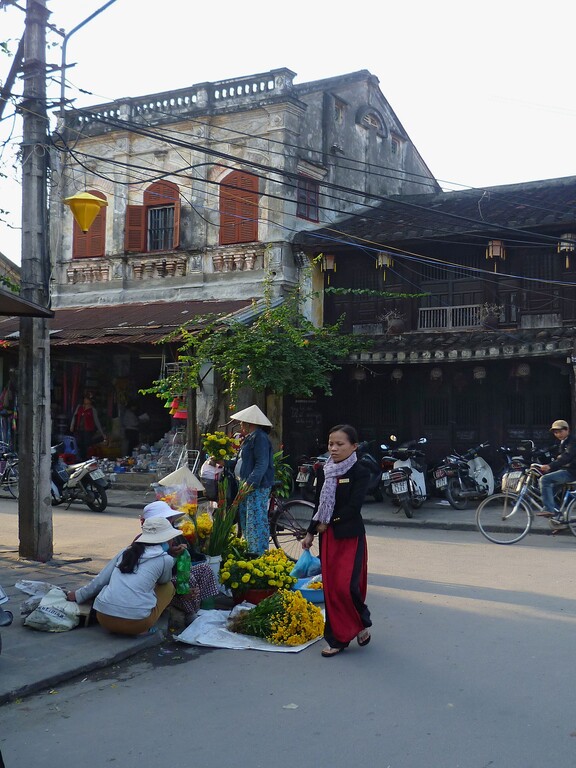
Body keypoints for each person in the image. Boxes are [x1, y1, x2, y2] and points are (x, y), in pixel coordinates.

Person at [302, 424, 372, 657]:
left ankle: (360, 621)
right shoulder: (325, 470)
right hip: (329, 537)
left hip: (350, 536)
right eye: (331, 443)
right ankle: (337, 639)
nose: (333, 448)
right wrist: (311, 532)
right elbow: (319, 506)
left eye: (339, 444)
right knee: (332, 589)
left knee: (347, 586)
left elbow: (354, 507)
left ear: (353, 446)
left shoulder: (360, 471)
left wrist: (330, 521)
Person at [66, 516, 183, 635]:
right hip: (137, 625)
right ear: (166, 540)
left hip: (104, 618)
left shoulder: (125, 552)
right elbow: (164, 581)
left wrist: (78, 595)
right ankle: (146, 627)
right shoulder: (165, 559)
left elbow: (101, 580)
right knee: (168, 587)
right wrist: (172, 557)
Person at [141, 500, 219, 622]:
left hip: (170, 576)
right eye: (168, 519)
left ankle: (204, 610)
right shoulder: (144, 541)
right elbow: (162, 578)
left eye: (170, 519)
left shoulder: (171, 535)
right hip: (159, 584)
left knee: (204, 568)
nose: (171, 522)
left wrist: (177, 553)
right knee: (188, 579)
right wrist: (181, 589)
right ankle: (191, 613)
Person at [223, 404, 275, 555]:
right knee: (246, 519)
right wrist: (224, 462)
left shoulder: (260, 438)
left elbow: (261, 464)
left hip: (255, 486)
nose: (240, 425)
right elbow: (240, 461)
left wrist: (250, 483)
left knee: (255, 520)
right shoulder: (250, 438)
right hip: (245, 484)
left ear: (250, 423)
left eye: (241, 422)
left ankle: (258, 553)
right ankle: (250, 550)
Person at [536, 419, 576, 526]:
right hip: (567, 470)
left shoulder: (573, 441)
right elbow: (560, 460)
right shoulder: (563, 442)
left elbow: (566, 457)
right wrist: (548, 468)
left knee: (545, 480)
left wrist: (549, 466)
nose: (557, 434)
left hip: (572, 472)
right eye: (555, 432)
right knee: (550, 493)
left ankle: (549, 509)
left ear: (567, 430)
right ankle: (559, 520)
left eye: (559, 431)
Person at [70, 393, 105, 460]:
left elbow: (97, 422)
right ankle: (82, 458)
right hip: (79, 429)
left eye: (88, 399)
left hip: (88, 430)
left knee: (86, 444)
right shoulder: (80, 407)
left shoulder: (93, 410)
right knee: (80, 444)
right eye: (85, 398)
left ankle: (84, 458)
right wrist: (72, 425)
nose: (86, 400)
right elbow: (75, 416)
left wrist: (102, 433)